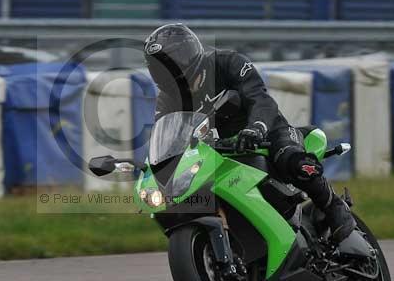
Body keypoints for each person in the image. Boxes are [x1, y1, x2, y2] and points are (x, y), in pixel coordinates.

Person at [144, 23, 356, 244]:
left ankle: (334, 207)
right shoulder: (168, 100)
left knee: (293, 160)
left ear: (188, 52)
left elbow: (260, 98)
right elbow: (168, 136)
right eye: (159, 66)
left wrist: (256, 127)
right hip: (219, 153)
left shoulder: (227, 63)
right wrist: (158, 168)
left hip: (267, 133)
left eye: (171, 61)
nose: (167, 70)